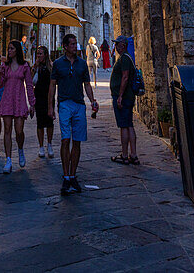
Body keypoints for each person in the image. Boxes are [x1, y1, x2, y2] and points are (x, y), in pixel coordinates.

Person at [48, 32, 98, 195]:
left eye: (75, 44)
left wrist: (92, 100)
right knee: (65, 139)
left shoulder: (82, 64)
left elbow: (87, 85)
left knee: (77, 141)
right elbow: (52, 86)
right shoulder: (57, 64)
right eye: (72, 44)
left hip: (79, 105)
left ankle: (73, 174)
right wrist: (50, 106)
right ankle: (66, 176)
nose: (75, 47)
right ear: (65, 47)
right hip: (64, 104)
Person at [0, 39, 35, 173]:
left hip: (19, 100)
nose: (9, 51)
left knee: (19, 131)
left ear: (17, 50)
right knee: (7, 129)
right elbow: (0, 84)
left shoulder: (24, 66)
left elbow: (29, 85)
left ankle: (20, 149)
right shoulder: (5, 66)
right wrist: (0, 73)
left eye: (12, 48)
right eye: (8, 49)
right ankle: (8, 159)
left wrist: (32, 103)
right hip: (7, 99)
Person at [110, 35, 139, 165]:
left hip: (124, 97)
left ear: (123, 45)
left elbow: (125, 77)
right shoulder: (126, 58)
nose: (115, 47)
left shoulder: (125, 59)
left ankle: (125, 155)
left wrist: (120, 96)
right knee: (129, 124)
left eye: (117, 44)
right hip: (127, 96)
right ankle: (133, 155)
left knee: (124, 126)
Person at [32, 45, 54, 158]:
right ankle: (41, 146)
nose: (39, 56)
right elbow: (31, 81)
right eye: (38, 54)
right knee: (40, 122)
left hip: (49, 97)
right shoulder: (36, 67)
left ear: (45, 55)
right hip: (39, 97)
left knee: (49, 122)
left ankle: (49, 144)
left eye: (40, 53)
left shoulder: (51, 67)